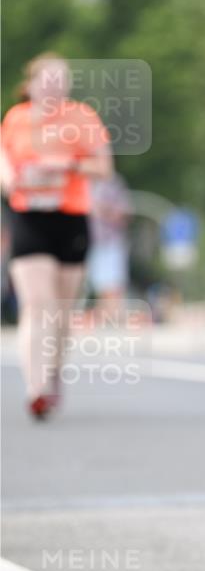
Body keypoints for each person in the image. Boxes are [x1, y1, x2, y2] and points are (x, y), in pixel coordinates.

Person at [0, 54, 112, 418]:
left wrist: (67, 165)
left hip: (70, 218)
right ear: (31, 85)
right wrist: (13, 179)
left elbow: (104, 168)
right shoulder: (16, 119)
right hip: (28, 216)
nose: (54, 87)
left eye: (61, 80)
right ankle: (35, 388)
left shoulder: (82, 117)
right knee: (36, 304)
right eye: (47, 80)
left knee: (61, 312)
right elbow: (3, 160)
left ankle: (53, 374)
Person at [87, 172, 132, 311]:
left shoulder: (113, 183)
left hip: (111, 242)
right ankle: (108, 312)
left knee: (113, 284)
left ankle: (113, 312)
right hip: (91, 243)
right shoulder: (83, 182)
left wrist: (101, 209)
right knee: (100, 286)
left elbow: (124, 213)